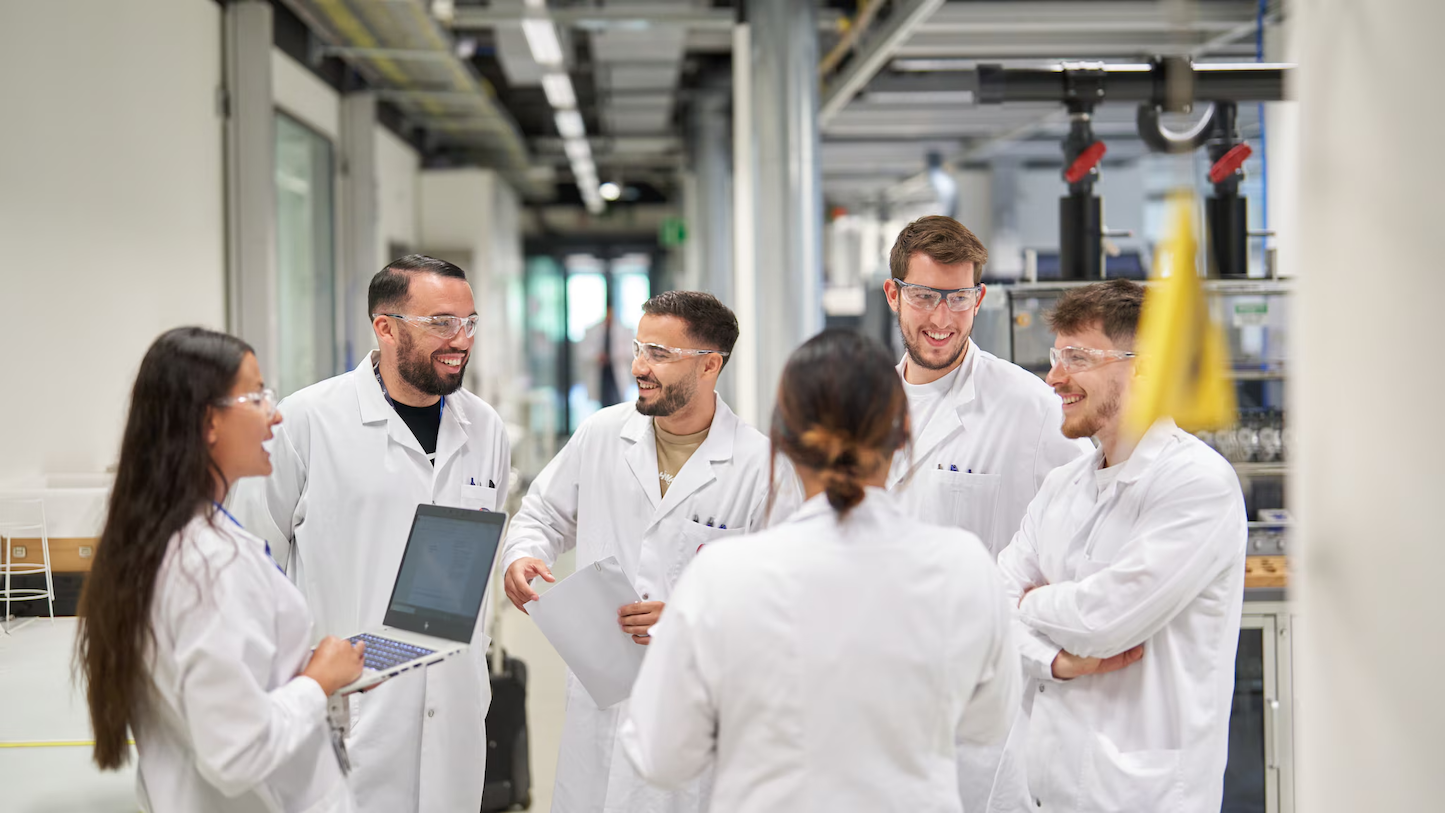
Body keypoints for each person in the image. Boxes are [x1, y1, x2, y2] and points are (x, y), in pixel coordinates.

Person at [618, 328, 1021, 812]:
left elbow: (661, 755)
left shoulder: (723, 578)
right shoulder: (963, 567)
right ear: (903, 435)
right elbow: (988, 724)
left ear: (783, 440)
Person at [231, 254, 511, 813]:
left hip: (454, 706)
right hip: (350, 707)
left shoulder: (485, 428)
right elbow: (253, 563)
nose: (461, 339)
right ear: (385, 327)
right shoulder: (309, 420)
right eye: (441, 323)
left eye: (469, 322)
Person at [501, 290, 795, 813]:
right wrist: (523, 554)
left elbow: (784, 599)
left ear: (709, 365)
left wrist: (690, 619)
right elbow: (541, 514)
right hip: (600, 694)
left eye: (659, 354)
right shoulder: (602, 435)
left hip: (695, 710)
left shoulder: (760, 467)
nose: (639, 366)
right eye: (639, 349)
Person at [75, 327, 366, 813]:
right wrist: (318, 682)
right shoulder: (208, 567)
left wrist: (300, 667)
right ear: (209, 421)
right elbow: (238, 752)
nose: (275, 416)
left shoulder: (162, 539)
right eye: (255, 398)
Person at [995, 279, 1247, 811]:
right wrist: (1054, 661)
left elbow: (1102, 623)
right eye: (1055, 355)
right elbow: (990, 615)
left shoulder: (1198, 484)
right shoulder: (1062, 487)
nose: (1054, 377)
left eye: (1077, 357)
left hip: (1141, 795)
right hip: (1043, 788)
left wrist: (1031, 603)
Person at [883, 215, 1091, 811]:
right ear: (895, 294)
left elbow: (1084, 532)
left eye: (960, 299)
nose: (942, 319)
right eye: (925, 296)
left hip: (983, 702)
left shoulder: (1030, 408)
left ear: (979, 299)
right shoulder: (866, 404)